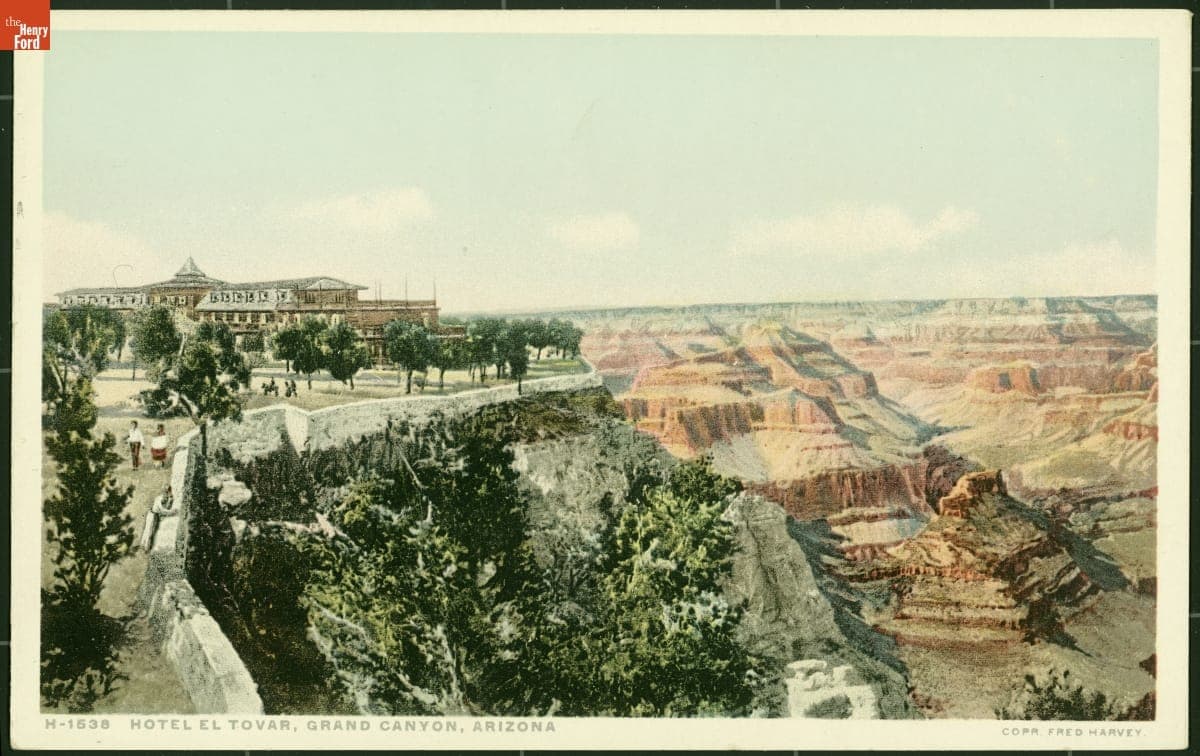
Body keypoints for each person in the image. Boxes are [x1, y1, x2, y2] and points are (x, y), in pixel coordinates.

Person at [139, 485, 177, 552]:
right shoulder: (160, 500)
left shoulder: (160, 497)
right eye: (166, 493)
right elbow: (163, 510)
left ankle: (143, 545)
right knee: (150, 531)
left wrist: (170, 499)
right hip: (153, 515)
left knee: (147, 530)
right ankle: (146, 548)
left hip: (151, 514)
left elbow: (166, 506)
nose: (166, 497)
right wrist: (172, 512)